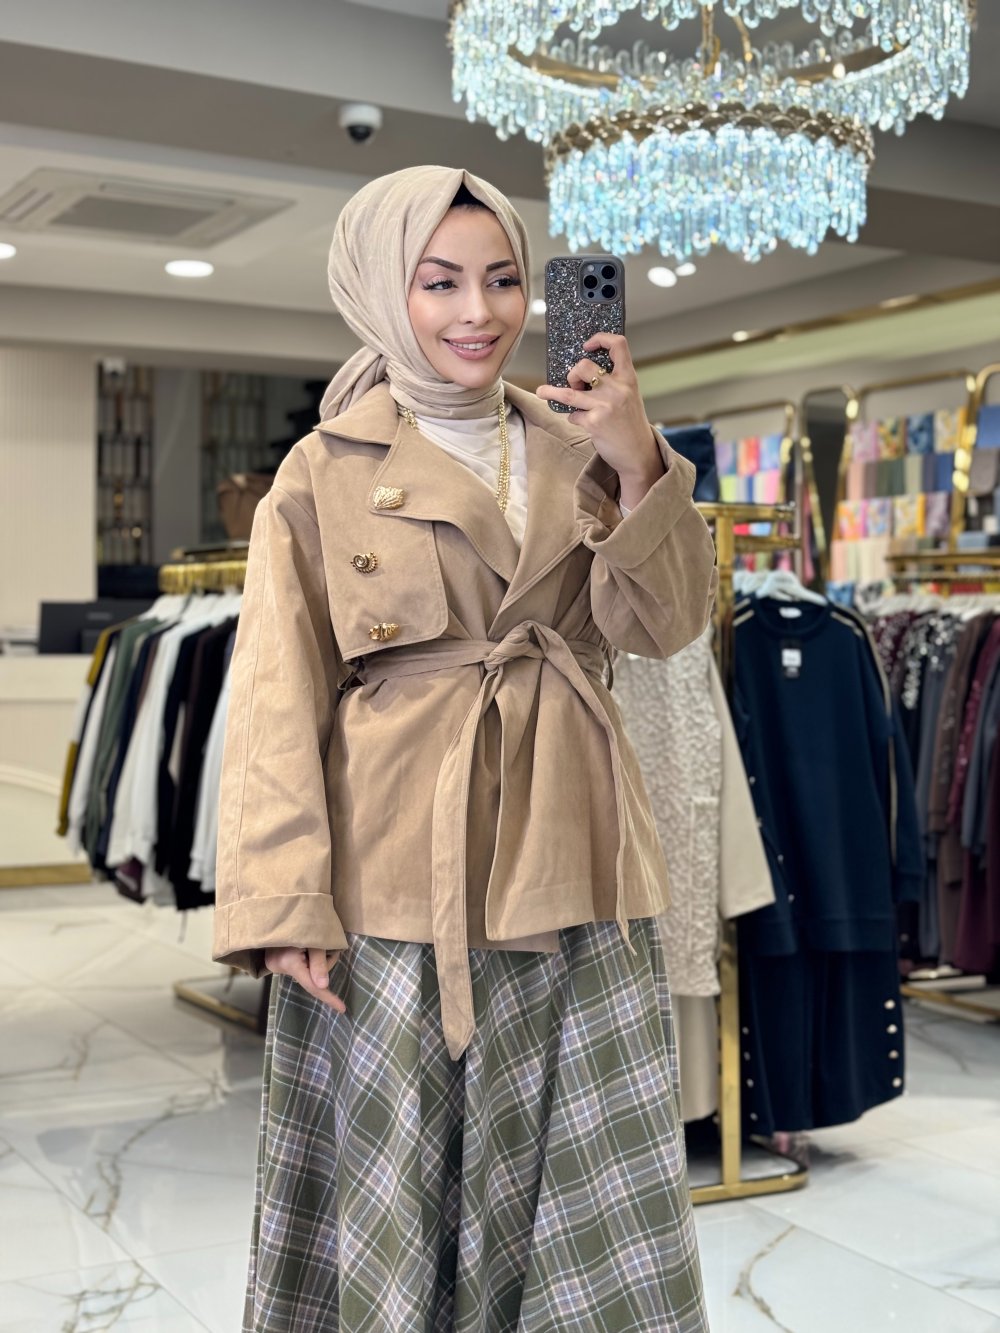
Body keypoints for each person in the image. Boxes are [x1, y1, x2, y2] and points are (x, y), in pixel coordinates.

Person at [213, 164, 717, 1333]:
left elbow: (665, 626)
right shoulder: (323, 468)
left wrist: (639, 462)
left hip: (573, 848)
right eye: (438, 282)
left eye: (501, 279)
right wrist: (283, 898)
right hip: (397, 870)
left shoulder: (577, 441)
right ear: (381, 292)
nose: (478, 313)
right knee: (403, 1182)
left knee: (580, 1182)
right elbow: (278, 695)